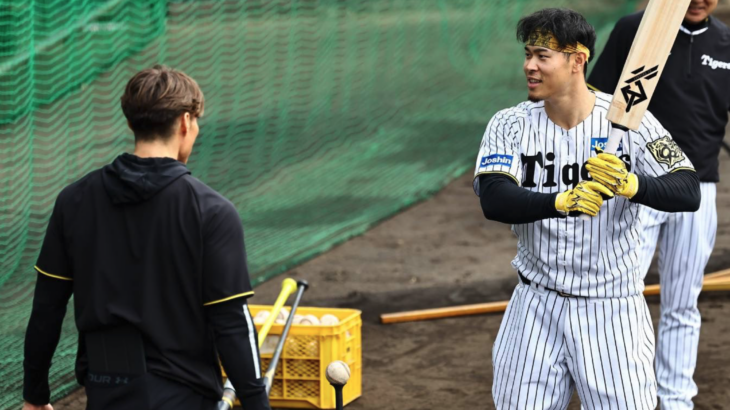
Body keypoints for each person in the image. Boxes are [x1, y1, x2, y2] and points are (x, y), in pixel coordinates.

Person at [474, 8, 701, 409]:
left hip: (611, 310)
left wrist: (632, 184)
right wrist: (559, 201)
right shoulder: (509, 124)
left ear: (578, 60)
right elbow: (494, 198)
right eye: (528, 54)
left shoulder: (635, 123)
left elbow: (687, 188)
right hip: (534, 306)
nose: (530, 65)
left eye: (543, 55)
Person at [22, 65, 271, 410]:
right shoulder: (210, 210)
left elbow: (47, 307)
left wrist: (35, 395)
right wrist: (258, 403)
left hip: (106, 390)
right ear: (186, 122)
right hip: (184, 395)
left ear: (131, 123)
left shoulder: (74, 200)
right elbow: (231, 323)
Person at [587, 1, 729, 408]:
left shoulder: (726, 42)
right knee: (616, 296)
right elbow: (596, 100)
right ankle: (620, 394)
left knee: (683, 302)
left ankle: (675, 398)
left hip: (697, 191)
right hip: (637, 189)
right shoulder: (635, 30)